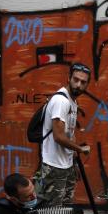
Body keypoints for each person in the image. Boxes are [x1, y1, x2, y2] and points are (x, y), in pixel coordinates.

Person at [36, 62, 92, 206]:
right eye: (76, 79)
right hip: (54, 167)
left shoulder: (72, 101)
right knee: (53, 212)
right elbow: (58, 136)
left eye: (83, 82)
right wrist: (80, 149)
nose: (78, 85)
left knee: (67, 209)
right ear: (68, 78)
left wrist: (74, 162)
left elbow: (69, 134)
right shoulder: (61, 101)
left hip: (66, 165)